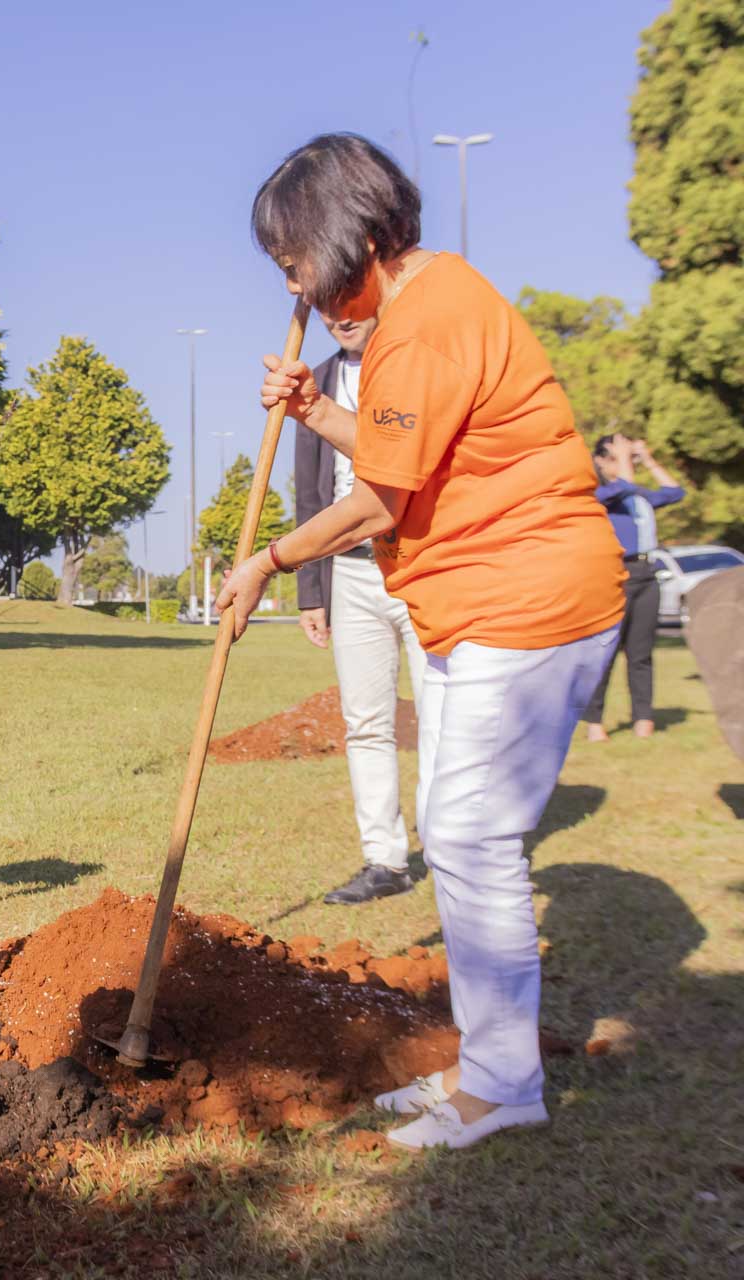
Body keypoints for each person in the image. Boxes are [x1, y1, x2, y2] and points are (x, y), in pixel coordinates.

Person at [223, 134, 623, 1150]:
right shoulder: (423, 310)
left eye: (291, 262)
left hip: (526, 598)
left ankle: (502, 1086)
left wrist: (269, 559)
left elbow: (378, 501)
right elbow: (409, 449)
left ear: (337, 232)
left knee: (467, 833)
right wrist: (315, 406)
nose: (295, 286)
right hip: (486, 601)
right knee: (460, 834)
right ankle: (485, 1064)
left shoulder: (425, 322)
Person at [291, 311, 428, 905]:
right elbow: (310, 493)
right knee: (366, 722)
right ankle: (385, 861)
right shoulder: (314, 380)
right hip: (350, 576)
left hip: (422, 568)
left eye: (351, 298)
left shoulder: (413, 366)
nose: (340, 315)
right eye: (327, 305)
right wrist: (311, 591)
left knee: (442, 717)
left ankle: (454, 853)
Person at [581, 433, 684, 741]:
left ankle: (643, 718)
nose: (621, 464)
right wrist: (625, 457)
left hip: (647, 573)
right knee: (607, 651)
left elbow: (675, 492)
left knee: (641, 653)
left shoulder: (638, 496)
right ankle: (595, 721)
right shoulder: (601, 493)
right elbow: (622, 485)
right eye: (612, 457)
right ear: (599, 460)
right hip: (617, 573)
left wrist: (647, 459)